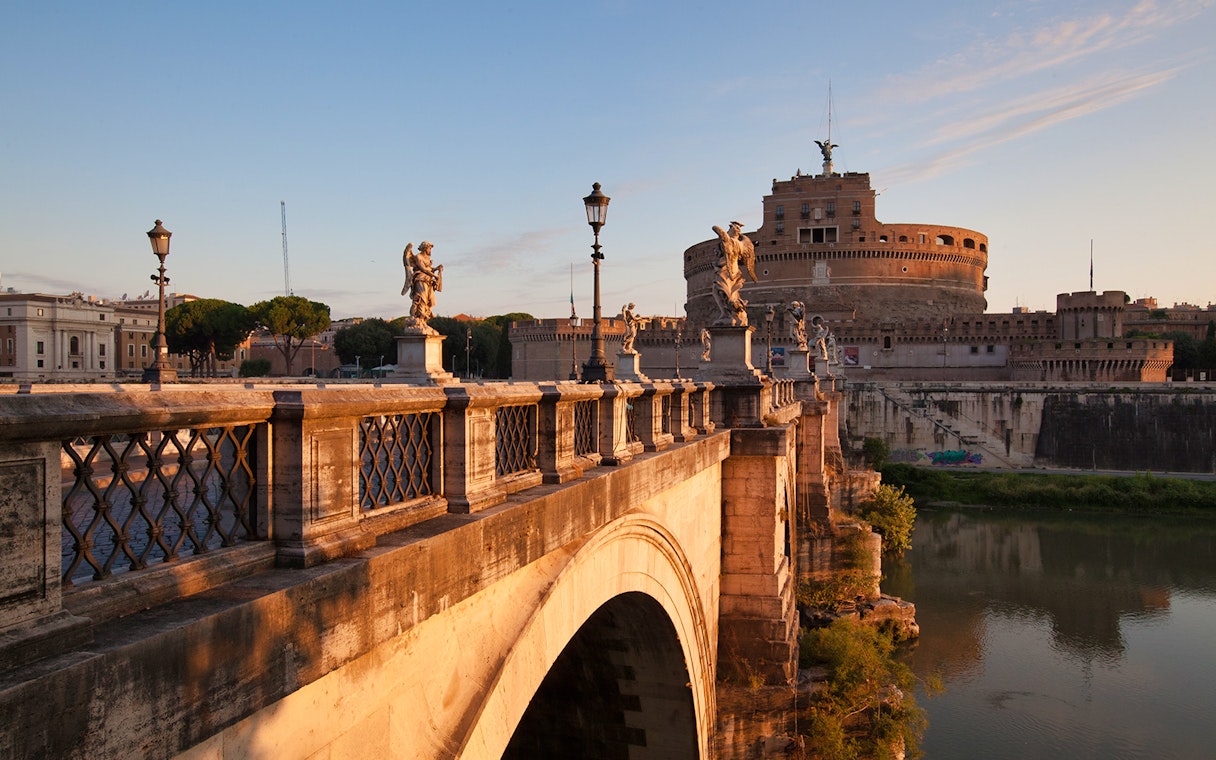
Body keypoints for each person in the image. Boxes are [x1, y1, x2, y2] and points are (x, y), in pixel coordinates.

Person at [402, 241, 443, 323]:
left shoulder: (427, 258)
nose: (430, 250)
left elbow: (429, 269)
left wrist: (436, 269)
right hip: (420, 279)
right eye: (429, 248)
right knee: (421, 298)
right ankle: (419, 317)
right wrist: (435, 276)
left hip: (428, 281)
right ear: (425, 248)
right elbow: (423, 269)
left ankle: (423, 318)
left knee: (431, 300)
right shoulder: (418, 257)